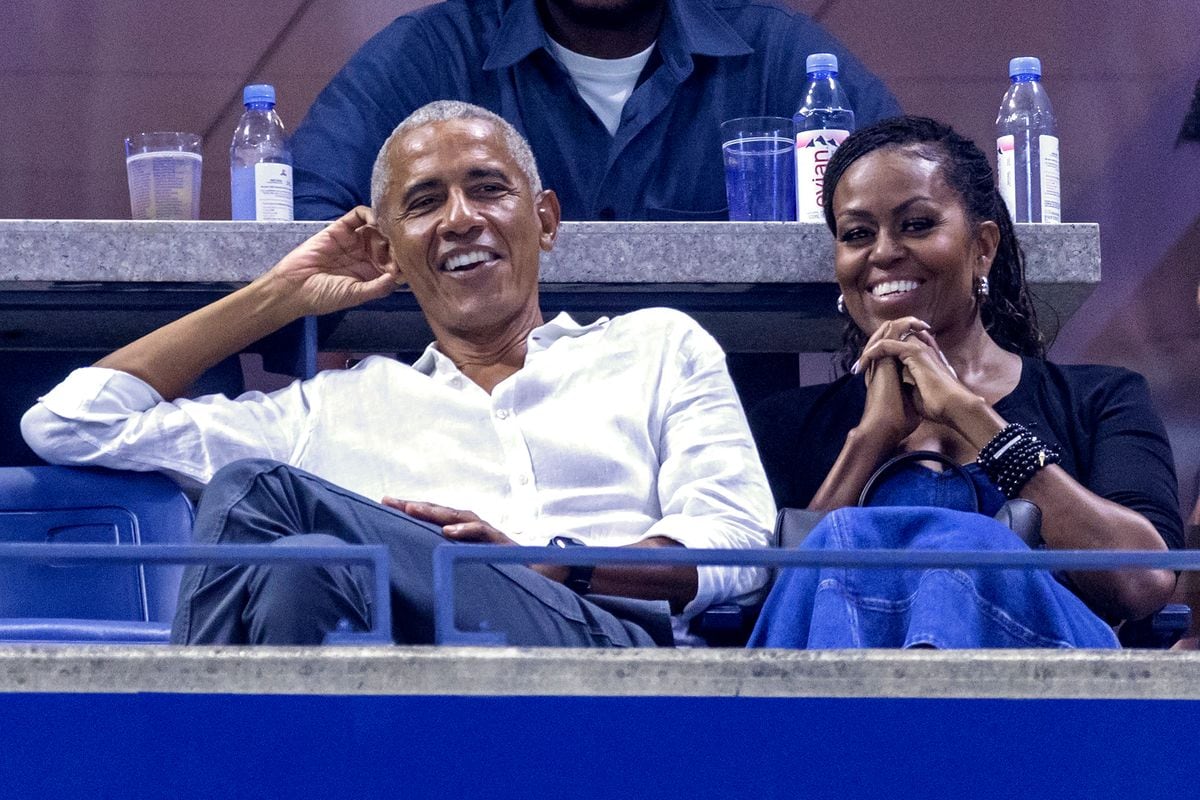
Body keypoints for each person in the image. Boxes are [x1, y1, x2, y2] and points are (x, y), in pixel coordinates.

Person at [21, 101, 774, 647]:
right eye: (424, 203)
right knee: (301, 569)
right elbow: (72, 423)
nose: (459, 219)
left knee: (256, 490)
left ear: (544, 219)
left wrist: (542, 561)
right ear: (388, 250)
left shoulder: (657, 347)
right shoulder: (331, 409)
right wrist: (276, 295)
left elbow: (734, 545)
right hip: (413, 690)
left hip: (609, 656)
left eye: (487, 188)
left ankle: (170, 760)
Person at [746, 116, 1182, 649]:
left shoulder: (1101, 399)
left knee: (968, 544)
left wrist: (970, 417)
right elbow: (772, 611)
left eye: (917, 224)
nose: (883, 253)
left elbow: (1143, 584)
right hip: (834, 704)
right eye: (857, 234)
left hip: (1040, 709)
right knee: (841, 540)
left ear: (983, 247)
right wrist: (872, 439)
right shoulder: (785, 424)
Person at [290, 0, 900, 222]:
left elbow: (920, 202)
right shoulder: (433, 52)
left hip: (731, 440)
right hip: (480, 431)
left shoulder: (776, 56)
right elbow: (295, 223)